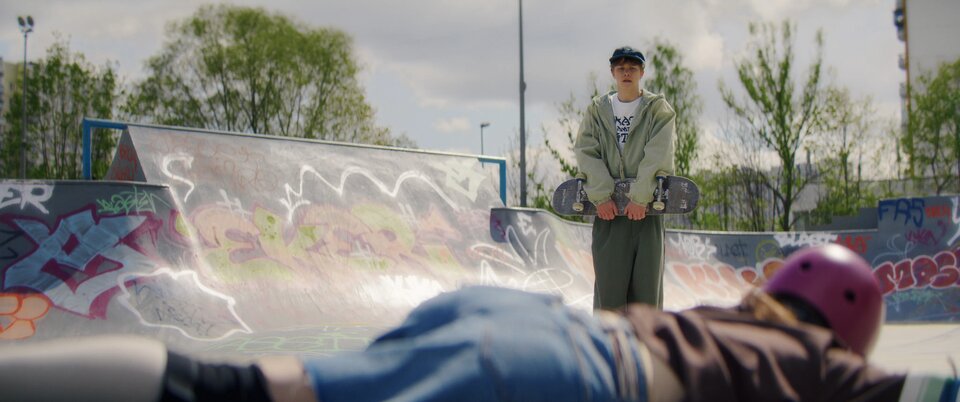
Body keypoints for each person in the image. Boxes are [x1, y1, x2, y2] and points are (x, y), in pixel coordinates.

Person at [1, 245, 958, 402]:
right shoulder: (827, 366)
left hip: (514, 319)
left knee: (261, 387)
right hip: (553, 374)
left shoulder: (723, 316)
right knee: (238, 393)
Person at [574, 46, 676, 310]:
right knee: (609, 298)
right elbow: (586, 151)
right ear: (613, 73)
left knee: (646, 298)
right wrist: (601, 196)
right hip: (608, 212)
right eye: (621, 68)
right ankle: (609, 339)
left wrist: (641, 197)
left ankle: (645, 340)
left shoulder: (657, 110)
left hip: (647, 212)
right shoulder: (598, 111)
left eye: (632, 68)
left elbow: (659, 153)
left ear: (642, 72)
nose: (626, 73)